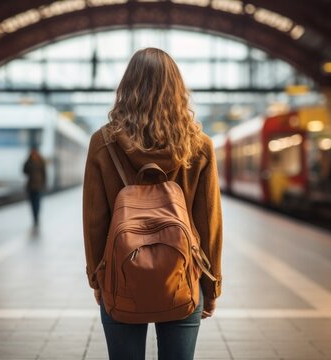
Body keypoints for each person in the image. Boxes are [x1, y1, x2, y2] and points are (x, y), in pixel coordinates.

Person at [82, 48, 223, 360]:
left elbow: (94, 221)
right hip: (182, 277)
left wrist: (97, 278)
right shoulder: (199, 146)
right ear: (177, 91)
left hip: (120, 277)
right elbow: (208, 221)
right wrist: (211, 286)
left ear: (126, 89)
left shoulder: (103, 143)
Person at [23, 147, 47, 225]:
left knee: (37, 202)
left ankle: (36, 216)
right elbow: (24, 171)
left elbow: (44, 174)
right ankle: (34, 216)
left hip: (38, 186)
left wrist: (44, 184)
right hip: (30, 186)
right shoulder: (29, 161)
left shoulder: (41, 161)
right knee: (32, 203)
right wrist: (28, 160)